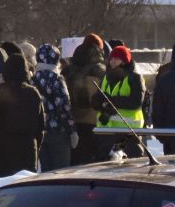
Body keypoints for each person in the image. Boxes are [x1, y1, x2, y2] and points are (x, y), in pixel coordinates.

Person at [0, 49, 44, 177]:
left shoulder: (0, 91)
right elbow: (40, 126)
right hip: (27, 149)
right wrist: (36, 147)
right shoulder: (33, 93)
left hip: (3, 149)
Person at [96, 43, 146, 157]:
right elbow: (97, 98)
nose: (112, 61)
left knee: (133, 165)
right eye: (111, 58)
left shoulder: (135, 78)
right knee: (104, 167)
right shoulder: (105, 77)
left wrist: (111, 101)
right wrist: (99, 103)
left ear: (124, 61)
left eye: (117, 58)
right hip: (107, 130)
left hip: (129, 131)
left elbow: (136, 102)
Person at [66, 32, 108, 164]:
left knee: (75, 163)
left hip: (72, 123)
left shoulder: (68, 69)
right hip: (94, 123)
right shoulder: (101, 71)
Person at [34, 44, 75, 170]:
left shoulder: (32, 79)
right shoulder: (57, 79)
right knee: (61, 170)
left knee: (45, 171)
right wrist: (72, 129)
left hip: (39, 131)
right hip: (58, 130)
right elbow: (64, 106)